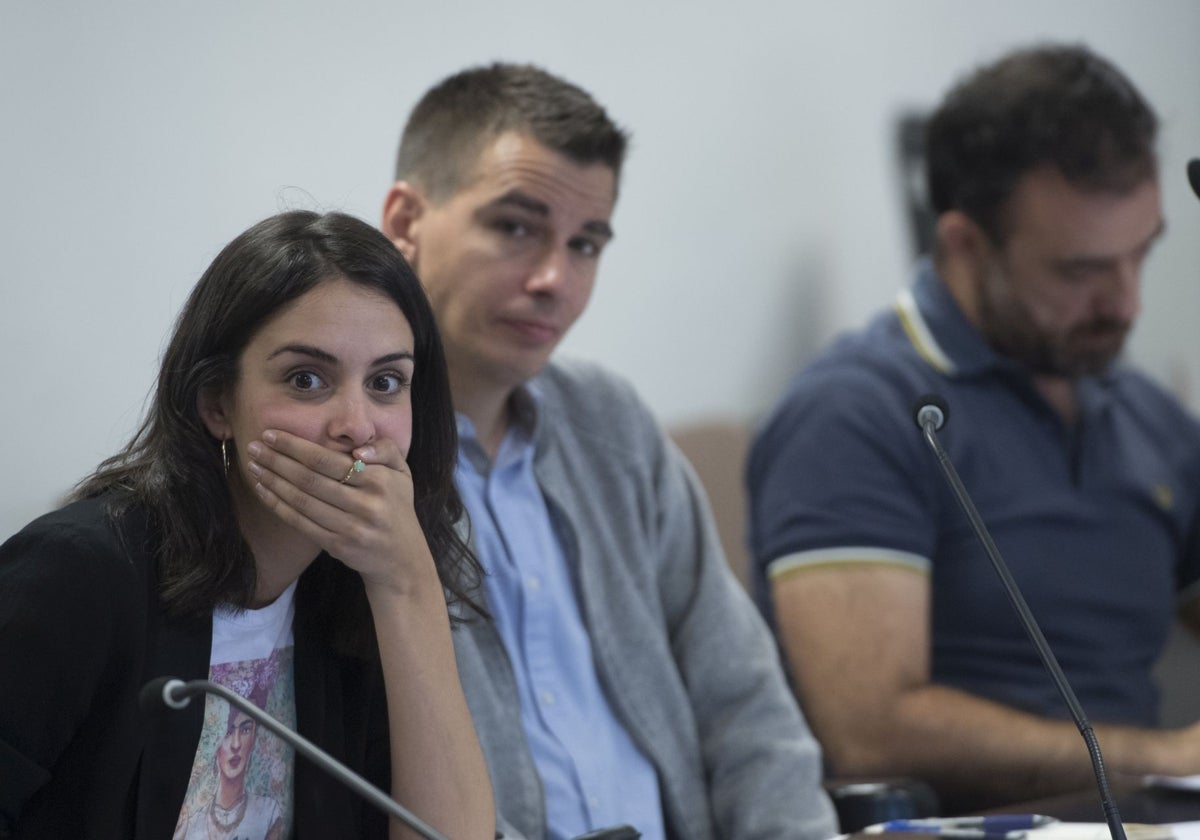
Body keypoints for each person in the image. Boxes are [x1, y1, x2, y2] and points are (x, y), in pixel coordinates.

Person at [380, 63, 837, 840]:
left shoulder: (612, 425)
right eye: (515, 227)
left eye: (586, 243)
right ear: (406, 221)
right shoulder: (358, 449)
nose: (555, 279)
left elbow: (746, 704)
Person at [747, 43, 1200, 813]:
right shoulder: (856, 414)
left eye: (1140, 255)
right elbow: (870, 732)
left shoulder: (1138, 407)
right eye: (1081, 271)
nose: (1127, 305)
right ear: (963, 245)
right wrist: (1167, 757)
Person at [0, 211, 495, 839]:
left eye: (386, 382)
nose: (357, 425)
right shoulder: (77, 571)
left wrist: (407, 583)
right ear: (216, 406)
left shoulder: (356, 598)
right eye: (306, 379)